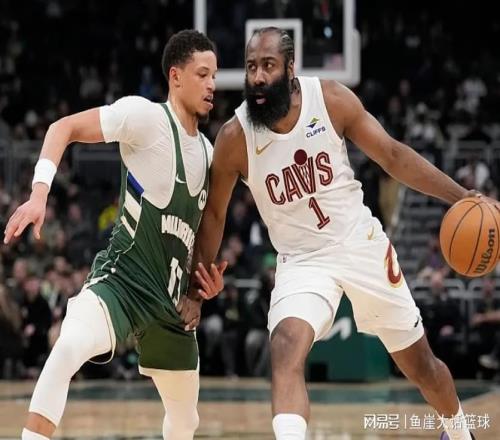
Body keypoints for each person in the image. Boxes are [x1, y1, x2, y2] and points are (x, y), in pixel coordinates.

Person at [187, 27, 500, 440]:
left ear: (290, 69)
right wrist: (195, 290)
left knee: (421, 366)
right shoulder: (234, 137)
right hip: (302, 260)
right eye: (250, 67)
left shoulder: (330, 99)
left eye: (268, 66)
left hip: (359, 244)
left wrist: (463, 197)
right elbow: (214, 216)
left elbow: (392, 155)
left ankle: (458, 432)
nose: (258, 77)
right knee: (284, 346)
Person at [3, 29, 225, 440]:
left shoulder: (211, 155)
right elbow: (63, 127)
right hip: (121, 284)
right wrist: (39, 193)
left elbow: (201, 237)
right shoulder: (145, 118)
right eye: (203, 74)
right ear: (175, 76)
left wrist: (201, 287)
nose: (212, 84)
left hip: (170, 304)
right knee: (68, 347)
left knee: (185, 422)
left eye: (214, 75)